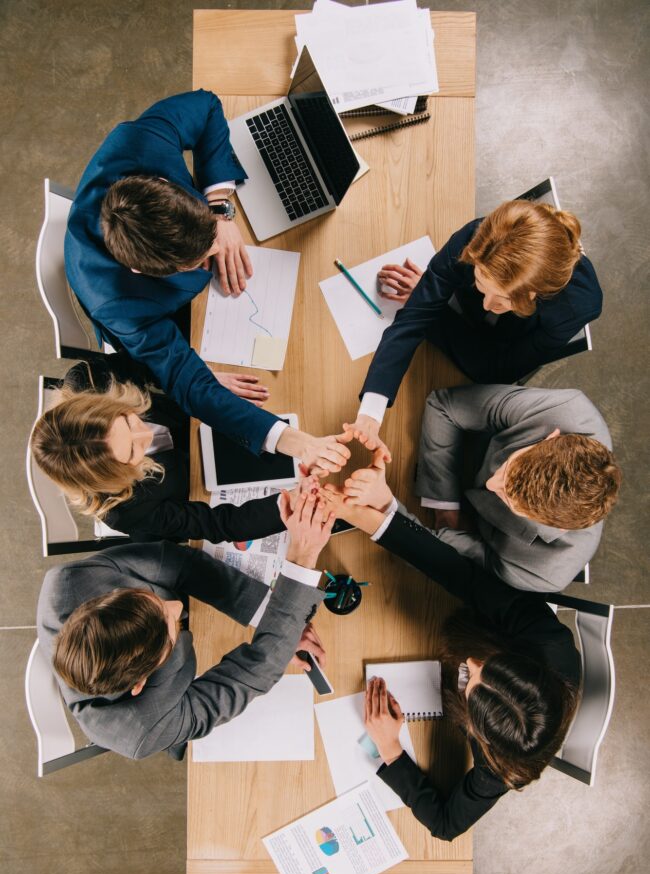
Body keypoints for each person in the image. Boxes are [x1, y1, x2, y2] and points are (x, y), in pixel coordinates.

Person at [65, 89, 351, 476]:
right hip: (148, 334)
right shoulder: (119, 305)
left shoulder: (137, 143)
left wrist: (219, 211)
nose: (210, 260)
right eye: (199, 261)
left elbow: (206, 106)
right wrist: (295, 441)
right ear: (145, 272)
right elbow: (190, 387)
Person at [317, 487, 579, 842]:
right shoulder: (549, 641)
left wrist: (391, 749)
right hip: (473, 615)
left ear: (480, 732)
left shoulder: (500, 766)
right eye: (488, 665)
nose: (470, 663)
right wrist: (374, 522)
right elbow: (467, 580)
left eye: (470, 681)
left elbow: (444, 826)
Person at [37, 491, 334, 761]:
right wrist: (301, 560)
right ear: (142, 683)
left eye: (149, 597)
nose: (177, 606)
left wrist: (267, 616)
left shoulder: (70, 581)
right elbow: (252, 673)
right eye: (171, 626)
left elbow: (178, 564)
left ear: (103, 600)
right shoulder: (143, 730)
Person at [346, 200, 603, 453]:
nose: (488, 305)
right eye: (482, 285)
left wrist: (431, 304)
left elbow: (504, 368)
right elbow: (411, 320)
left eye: (502, 300)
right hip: (465, 306)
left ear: (536, 293)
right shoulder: (478, 237)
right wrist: (371, 411)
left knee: (486, 373)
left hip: (507, 342)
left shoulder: (579, 306)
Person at [339, 384, 621, 593]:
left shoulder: (546, 570)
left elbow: (450, 564)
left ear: (555, 528)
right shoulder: (567, 410)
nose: (490, 483)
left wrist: (387, 507)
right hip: (455, 456)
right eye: (508, 467)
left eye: (508, 499)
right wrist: (444, 506)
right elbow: (444, 406)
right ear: (551, 437)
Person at [30, 356, 314, 544]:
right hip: (198, 479)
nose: (145, 433)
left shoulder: (91, 379)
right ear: (116, 475)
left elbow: (148, 364)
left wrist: (201, 378)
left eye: (128, 419)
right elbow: (218, 524)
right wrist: (294, 503)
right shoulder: (122, 509)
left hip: (196, 414)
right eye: (132, 450)